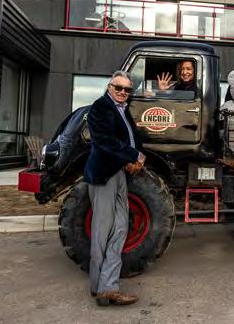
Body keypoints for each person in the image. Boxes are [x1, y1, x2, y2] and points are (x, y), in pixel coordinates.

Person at [84, 70, 146, 306]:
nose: (122, 92)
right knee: (102, 232)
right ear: (109, 87)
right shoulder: (100, 107)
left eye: (127, 89)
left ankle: (108, 286)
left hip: (119, 173)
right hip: (103, 175)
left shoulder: (123, 109)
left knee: (120, 228)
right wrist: (134, 155)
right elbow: (104, 141)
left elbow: (132, 138)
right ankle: (99, 288)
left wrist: (136, 156)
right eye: (118, 88)